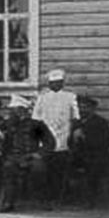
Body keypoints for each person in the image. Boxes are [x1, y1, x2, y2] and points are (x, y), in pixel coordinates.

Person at [0, 94, 54, 213]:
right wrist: (5, 154)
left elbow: (49, 142)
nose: (13, 113)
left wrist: (39, 154)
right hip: (14, 156)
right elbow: (2, 142)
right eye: (13, 110)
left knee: (39, 169)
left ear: (23, 110)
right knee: (8, 168)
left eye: (16, 110)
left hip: (31, 156)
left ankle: (43, 200)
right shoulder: (8, 125)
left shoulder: (36, 125)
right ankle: (8, 202)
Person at [33, 68, 79, 204]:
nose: (56, 85)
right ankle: (45, 197)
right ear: (49, 83)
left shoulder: (70, 96)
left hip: (63, 137)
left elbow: (76, 117)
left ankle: (59, 196)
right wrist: (38, 140)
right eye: (53, 82)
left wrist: (73, 133)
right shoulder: (42, 97)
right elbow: (36, 119)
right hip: (46, 138)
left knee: (59, 170)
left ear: (63, 83)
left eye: (59, 82)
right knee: (44, 170)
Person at [67, 95, 109, 208]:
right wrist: (73, 137)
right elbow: (70, 143)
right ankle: (68, 198)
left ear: (93, 109)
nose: (83, 110)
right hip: (79, 155)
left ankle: (90, 200)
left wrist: (84, 137)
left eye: (86, 107)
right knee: (62, 163)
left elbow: (104, 143)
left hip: (96, 155)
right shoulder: (76, 123)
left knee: (92, 168)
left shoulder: (101, 123)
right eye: (80, 107)